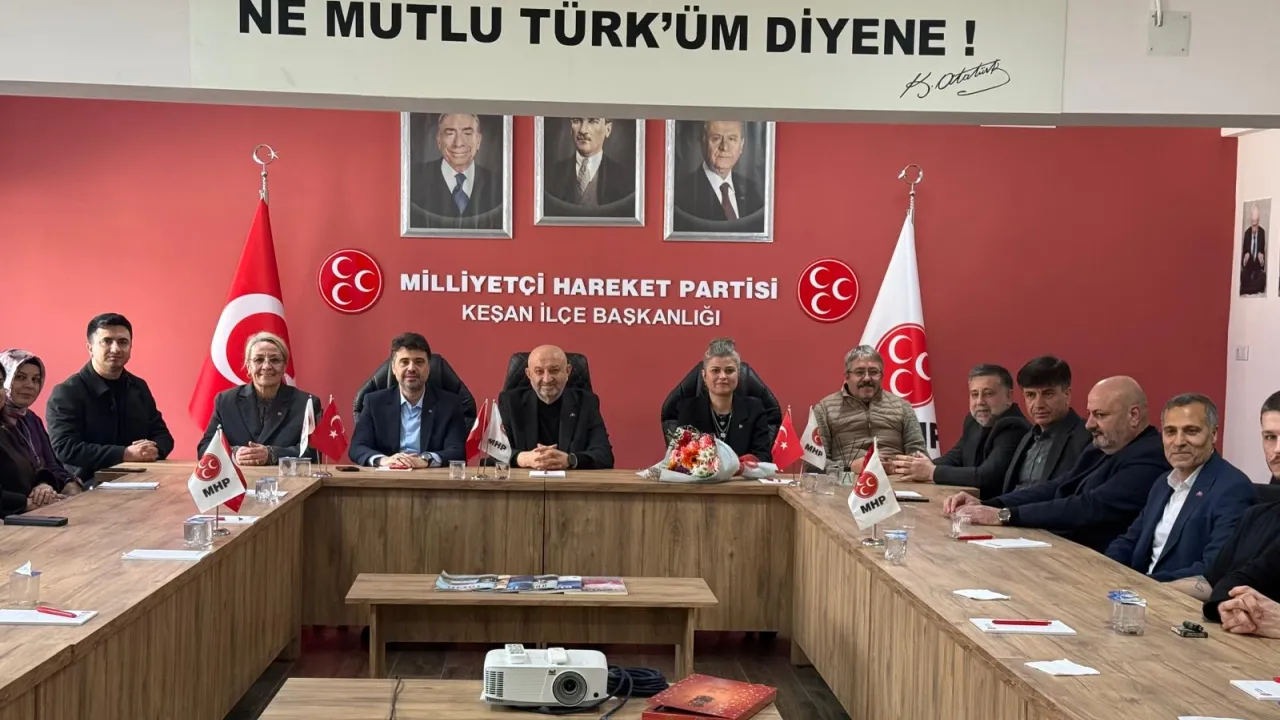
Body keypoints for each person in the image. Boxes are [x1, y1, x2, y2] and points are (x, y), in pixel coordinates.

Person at [942, 376, 1169, 553]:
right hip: (1063, 548)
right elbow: (1057, 486)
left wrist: (1004, 515)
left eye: (1100, 415)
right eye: (1090, 414)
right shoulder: (1102, 446)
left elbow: (1089, 507)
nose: (1089, 424)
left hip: (1095, 561)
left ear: (1134, 416)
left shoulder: (1149, 457)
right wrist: (988, 504)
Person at [1105, 394, 1255, 581]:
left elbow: (1212, 569)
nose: (1178, 442)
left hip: (1174, 594)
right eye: (1170, 432)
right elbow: (1129, 541)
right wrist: (1104, 568)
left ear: (1214, 434)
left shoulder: (1233, 489)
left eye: (1191, 431)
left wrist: (1143, 584)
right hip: (1136, 587)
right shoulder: (1163, 482)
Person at [1173, 392, 1280, 625]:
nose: (1277, 449)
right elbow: (1216, 581)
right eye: (1270, 437)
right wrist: (1141, 587)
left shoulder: (1234, 489)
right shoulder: (1257, 516)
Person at [46, 313, 173, 485]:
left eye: (123, 342)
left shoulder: (138, 387)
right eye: (107, 341)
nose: (116, 349)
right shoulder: (67, 392)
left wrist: (154, 449)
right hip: (88, 484)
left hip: (143, 479)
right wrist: (125, 454)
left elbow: (163, 435)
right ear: (90, 348)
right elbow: (65, 447)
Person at [892, 364, 1029, 498]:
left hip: (997, 507)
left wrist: (931, 472)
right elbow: (954, 457)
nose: (979, 401)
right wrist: (907, 467)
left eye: (988, 394)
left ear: (1009, 396)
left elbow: (986, 477)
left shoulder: (1014, 427)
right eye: (974, 394)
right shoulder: (973, 421)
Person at [196, 332, 321, 464]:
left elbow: (314, 452)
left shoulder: (307, 403)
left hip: (285, 476)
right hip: (239, 476)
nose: (266, 366)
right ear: (248, 367)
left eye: (275, 360)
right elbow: (204, 448)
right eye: (259, 360)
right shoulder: (226, 401)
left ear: (285, 366)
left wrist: (272, 455)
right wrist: (234, 453)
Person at [349, 332, 467, 468]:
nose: (411, 368)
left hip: (430, 477)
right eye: (404, 362)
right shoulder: (374, 402)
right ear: (394, 368)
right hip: (386, 477)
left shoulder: (450, 405)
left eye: (419, 362)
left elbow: (457, 451)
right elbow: (357, 447)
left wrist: (425, 460)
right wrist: (384, 460)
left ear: (428, 368)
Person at [813, 345, 926, 474]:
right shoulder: (824, 409)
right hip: (847, 480)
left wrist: (899, 467)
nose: (867, 378)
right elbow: (813, 463)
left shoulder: (903, 407)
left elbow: (920, 455)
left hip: (895, 479)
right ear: (847, 376)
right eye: (859, 372)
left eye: (873, 372)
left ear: (881, 376)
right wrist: (849, 467)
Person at [498, 345, 614, 470]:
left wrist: (570, 460)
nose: (547, 379)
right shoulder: (510, 402)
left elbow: (604, 455)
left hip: (572, 481)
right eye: (539, 371)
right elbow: (494, 452)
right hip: (523, 481)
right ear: (529, 374)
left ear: (568, 371)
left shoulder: (586, 402)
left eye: (554, 370)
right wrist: (523, 458)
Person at [669, 338, 773, 460]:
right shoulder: (688, 410)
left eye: (729, 370)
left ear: (738, 374)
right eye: (715, 370)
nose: (723, 376)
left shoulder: (755, 410)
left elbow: (763, 457)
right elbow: (681, 457)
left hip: (744, 473)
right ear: (704, 375)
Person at [1001, 356, 1092, 495]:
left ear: (1067, 395)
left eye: (1048, 394)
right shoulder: (1027, 438)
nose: (1038, 404)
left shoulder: (1086, 437)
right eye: (1030, 395)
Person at [1, 349, 80, 495]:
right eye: (20, 377)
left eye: (35, 379)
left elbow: (51, 463)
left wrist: (67, 482)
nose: (29, 385)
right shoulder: (3, 424)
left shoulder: (31, 419)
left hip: (44, 495)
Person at [409, 113, 501, 229]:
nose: (458, 143)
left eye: (467, 133)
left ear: (478, 140)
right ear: (439, 140)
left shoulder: (499, 185)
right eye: (450, 133)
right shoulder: (412, 181)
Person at [1, 362, 64, 517]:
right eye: (20, 377)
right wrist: (26, 504)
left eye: (0, 383)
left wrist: (43, 485)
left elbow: (41, 466)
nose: (29, 385)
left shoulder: (7, 427)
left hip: (26, 512)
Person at [674, 121, 764, 224]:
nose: (724, 147)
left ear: (741, 145)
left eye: (732, 139)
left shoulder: (752, 190)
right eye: (716, 138)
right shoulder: (681, 195)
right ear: (702, 142)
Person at [544, 118, 633, 214]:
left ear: (607, 129)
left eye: (593, 121)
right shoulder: (551, 174)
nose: (582, 130)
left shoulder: (624, 178)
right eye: (577, 121)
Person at [1241, 202, 1267, 295]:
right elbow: (1243, 262)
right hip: (1249, 268)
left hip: (1257, 269)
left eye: (1256, 224)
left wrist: (1262, 261)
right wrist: (1245, 260)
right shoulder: (1247, 233)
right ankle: (1254, 289)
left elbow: (1262, 262)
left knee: (1263, 277)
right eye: (1252, 224)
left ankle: (1247, 289)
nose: (1254, 228)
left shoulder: (1262, 233)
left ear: (1258, 221)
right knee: (1243, 275)